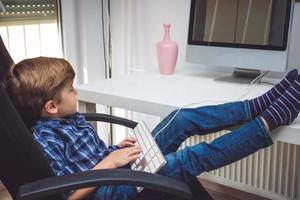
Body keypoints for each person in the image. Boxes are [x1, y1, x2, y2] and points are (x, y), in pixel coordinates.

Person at [4, 57, 300, 200]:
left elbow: (93, 157)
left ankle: (257, 105)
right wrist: (109, 163)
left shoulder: (70, 118)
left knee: (180, 119)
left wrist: (115, 151)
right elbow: (69, 195)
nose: (76, 92)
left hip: (115, 170)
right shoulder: (44, 139)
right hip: (108, 191)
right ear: (51, 106)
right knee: (186, 160)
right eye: (70, 90)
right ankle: (269, 122)